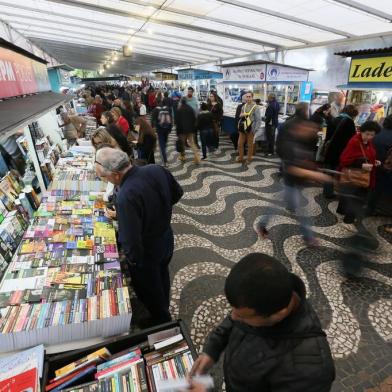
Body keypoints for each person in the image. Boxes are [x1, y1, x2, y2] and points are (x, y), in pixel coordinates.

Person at [191, 253, 335, 391]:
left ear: (279, 314)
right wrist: (211, 351)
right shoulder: (258, 297)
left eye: (242, 317)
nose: (233, 317)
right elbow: (232, 321)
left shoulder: (311, 371)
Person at [94, 147, 183, 326]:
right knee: (162, 274)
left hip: (146, 250)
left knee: (149, 288)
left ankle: (161, 320)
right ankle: (163, 305)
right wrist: (158, 211)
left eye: (105, 177)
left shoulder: (126, 195)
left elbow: (131, 240)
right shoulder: (155, 169)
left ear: (116, 174)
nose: (106, 181)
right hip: (166, 237)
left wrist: (133, 261)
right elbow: (177, 193)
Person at [260, 113, 331, 246]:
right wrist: (315, 175)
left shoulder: (305, 139)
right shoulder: (289, 142)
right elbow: (292, 168)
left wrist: (313, 170)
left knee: (278, 203)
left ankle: (262, 223)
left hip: (297, 181)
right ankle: (308, 237)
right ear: (303, 126)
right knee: (302, 211)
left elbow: (304, 161)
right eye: (312, 128)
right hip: (291, 180)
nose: (314, 132)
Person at [337, 121, 381, 224]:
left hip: (360, 176)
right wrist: (361, 165)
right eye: (367, 134)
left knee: (352, 196)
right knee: (356, 199)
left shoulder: (368, 143)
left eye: (372, 135)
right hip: (355, 175)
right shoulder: (355, 141)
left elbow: (365, 156)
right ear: (362, 131)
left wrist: (373, 161)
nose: (369, 137)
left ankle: (343, 212)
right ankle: (348, 220)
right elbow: (344, 160)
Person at [323, 105, 359, 198]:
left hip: (330, 150)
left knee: (329, 171)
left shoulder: (334, 119)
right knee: (338, 172)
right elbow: (352, 140)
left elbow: (327, 136)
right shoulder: (349, 122)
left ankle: (327, 191)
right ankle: (339, 192)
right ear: (353, 114)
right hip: (341, 151)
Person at [368, 115, 392, 215]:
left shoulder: (377, 133)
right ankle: (370, 209)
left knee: (373, 186)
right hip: (384, 167)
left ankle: (368, 205)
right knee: (378, 188)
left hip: (372, 163)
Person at [236, 91, 262, 164]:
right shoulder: (244, 106)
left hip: (251, 129)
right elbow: (240, 115)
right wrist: (241, 115)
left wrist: (255, 130)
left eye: (249, 96)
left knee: (250, 145)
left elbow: (258, 120)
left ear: (252, 97)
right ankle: (241, 157)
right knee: (240, 143)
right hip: (243, 128)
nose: (248, 98)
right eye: (246, 97)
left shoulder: (255, 107)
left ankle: (249, 158)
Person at [175, 97, 200, 164]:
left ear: (181, 102)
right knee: (192, 143)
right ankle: (197, 158)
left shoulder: (179, 109)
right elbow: (194, 119)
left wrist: (177, 132)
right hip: (190, 130)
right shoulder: (190, 108)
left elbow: (177, 121)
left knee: (182, 143)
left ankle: (182, 157)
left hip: (182, 130)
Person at [151, 99, 172, 166]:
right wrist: (170, 129)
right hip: (167, 129)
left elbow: (152, 121)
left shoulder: (155, 110)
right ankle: (164, 153)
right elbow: (171, 119)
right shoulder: (168, 109)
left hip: (160, 130)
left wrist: (153, 128)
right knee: (164, 143)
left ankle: (165, 161)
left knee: (162, 145)